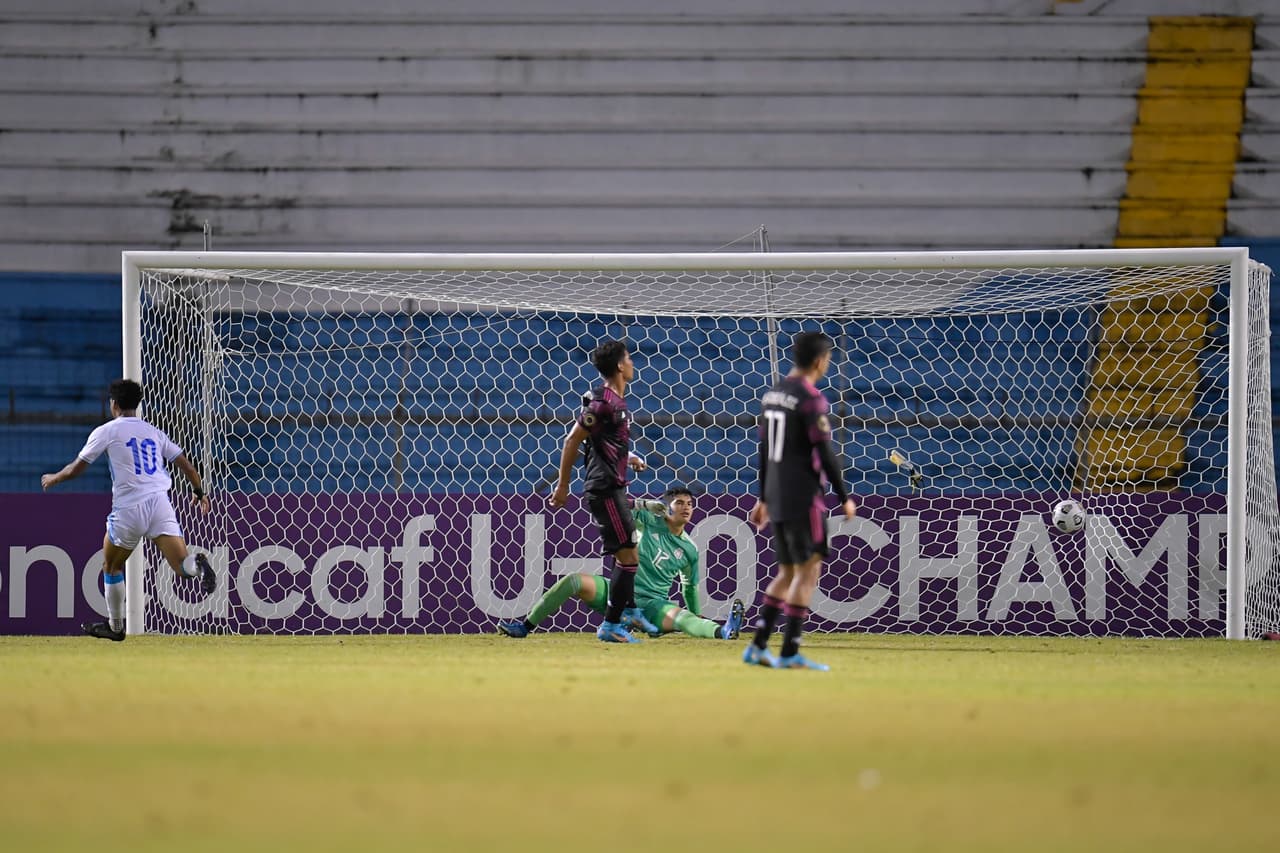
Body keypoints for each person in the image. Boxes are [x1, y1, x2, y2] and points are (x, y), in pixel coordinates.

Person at [41, 378, 215, 641]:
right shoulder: (154, 432)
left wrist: (54, 478)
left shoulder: (107, 431)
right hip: (160, 504)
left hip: (129, 508)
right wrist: (199, 492)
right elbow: (188, 467)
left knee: (111, 567)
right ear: (137, 404)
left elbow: (78, 467)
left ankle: (115, 626)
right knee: (181, 566)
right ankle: (198, 565)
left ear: (113, 404)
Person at [500, 485, 747, 640]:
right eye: (679, 503)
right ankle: (524, 626)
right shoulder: (648, 519)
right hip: (618, 594)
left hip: (653, 606)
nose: (686, 508)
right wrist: (642, 504)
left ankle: (721, 631)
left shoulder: (690, 549)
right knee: (573, 581)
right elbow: (614, 507)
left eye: (690, 504)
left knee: (683, 618)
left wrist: (696, 616)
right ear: (665, 506)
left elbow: (689, 587)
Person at [745, 331, 857, 671]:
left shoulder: (773, 395)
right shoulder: (811, 399)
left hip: (778, 495)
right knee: (808, 573)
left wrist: (763, 496)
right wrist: (844, 497)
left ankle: (758, 645)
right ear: (820, 360)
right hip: (804, 495)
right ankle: (790, 651)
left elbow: (764, 450)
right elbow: (825, 450)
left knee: (788, 571)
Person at [547, 339, 658, 643]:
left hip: (614, 485)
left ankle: (630, 610)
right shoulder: (603, 402)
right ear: (620, 366)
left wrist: (628, 457)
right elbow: (572, 441)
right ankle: (611, 625)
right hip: (604, 489)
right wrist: (563, 485)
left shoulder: (615, 402)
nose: (634, 363)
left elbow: (602, 442)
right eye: (630, 358)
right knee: (629, 555)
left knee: (628, 551)